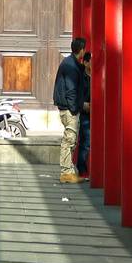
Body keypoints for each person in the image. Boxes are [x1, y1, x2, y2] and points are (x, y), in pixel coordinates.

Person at [53, 37, 87, 184]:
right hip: (69, 108)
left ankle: (69, 170)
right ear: (81, 50)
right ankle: (66, 172)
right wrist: (75, 108)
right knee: (69, 139)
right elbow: (71, 90)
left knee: (71, 139)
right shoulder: (71, 66)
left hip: (67, 106)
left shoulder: (70, 63)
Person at [76, 51, 92, 180]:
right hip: (85, 113)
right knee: (86, 141)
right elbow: (75, 95)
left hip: (99, 113)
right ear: (85, 62)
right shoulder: (80, 77)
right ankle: (82, 169)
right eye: (90, 61)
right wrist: (83, 105)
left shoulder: (98, 76)